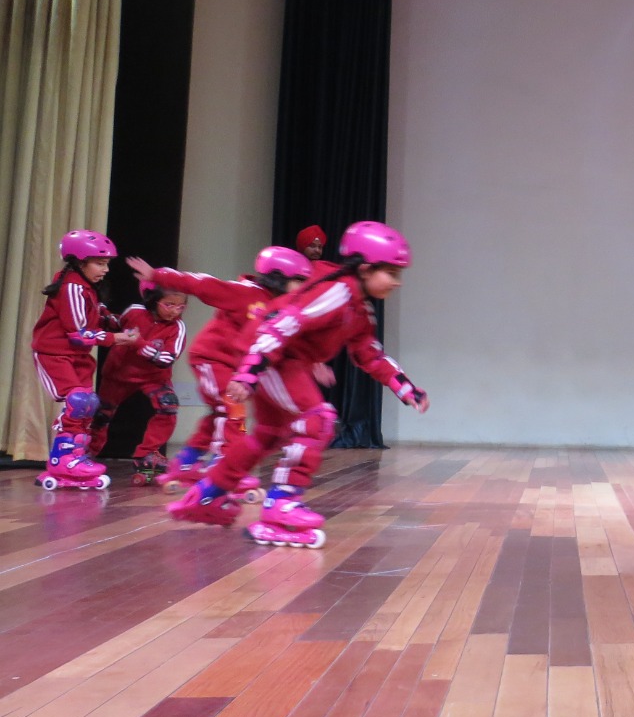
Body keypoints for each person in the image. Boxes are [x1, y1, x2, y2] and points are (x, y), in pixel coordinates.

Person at [167, 222, 430, 547]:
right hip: (272, 356)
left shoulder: (359, 308)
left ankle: (206, 496)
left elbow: (370, 354)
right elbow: (284, 323)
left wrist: (405, 387)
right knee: (317, 421)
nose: (396, 281)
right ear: (365, 268)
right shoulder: (338, 291)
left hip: (280, 359)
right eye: (391, 272)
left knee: (268, 434)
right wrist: (250, 372)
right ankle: (282, 504)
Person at [128, 247, 311, 495]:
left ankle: (185, 464)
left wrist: (314, 364)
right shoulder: (245, 293)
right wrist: (158, 275)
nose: (303, 287)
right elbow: (203, 285)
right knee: (233, 407)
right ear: (278, 277)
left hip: (233, 367)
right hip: (211, 358)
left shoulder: (282, 308)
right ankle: (226, 466)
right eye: (298, 280)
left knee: (219, 415)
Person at [30, 230, 139, 489]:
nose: (105, 270)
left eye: (107, 264)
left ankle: (75, 456)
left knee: (88, 404)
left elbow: (98, 315)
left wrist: (120, 321)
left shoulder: (87, 287)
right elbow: (79, 334)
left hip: (77, 356)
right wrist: (116, 338)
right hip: (55, 353)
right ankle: (62, 460)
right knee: (77, 401)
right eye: (100, 263)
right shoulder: (72, 287)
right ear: (79, 262)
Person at [88, 283, 188, 482]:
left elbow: (166, 359)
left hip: (154, 377)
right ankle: (87, 454)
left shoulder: (178, 327)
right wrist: (99, 311)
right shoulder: (135, 311)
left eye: (180, 307)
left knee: (168, 406)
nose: (174, 311)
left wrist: (139, 343)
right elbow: (115, 324)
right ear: (154, 301)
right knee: (101, 416)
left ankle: (147, 453)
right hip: (118, 374)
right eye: (169, 305)